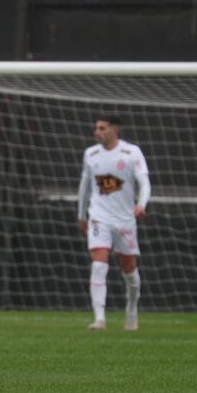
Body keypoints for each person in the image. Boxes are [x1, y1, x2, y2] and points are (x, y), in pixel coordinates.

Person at [76, 116, 150, 331]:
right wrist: (82, 216)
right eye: (96, 128)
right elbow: (85, 187)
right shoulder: (90, 154)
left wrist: (142, 204)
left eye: (102, 128)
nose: (97, 132)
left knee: (129, 269)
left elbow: (144, 181)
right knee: (99, 264)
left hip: (125, 219)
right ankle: (100, 318)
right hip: (99, 216)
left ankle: (132, 308)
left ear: (115, 129)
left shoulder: (131, 152)